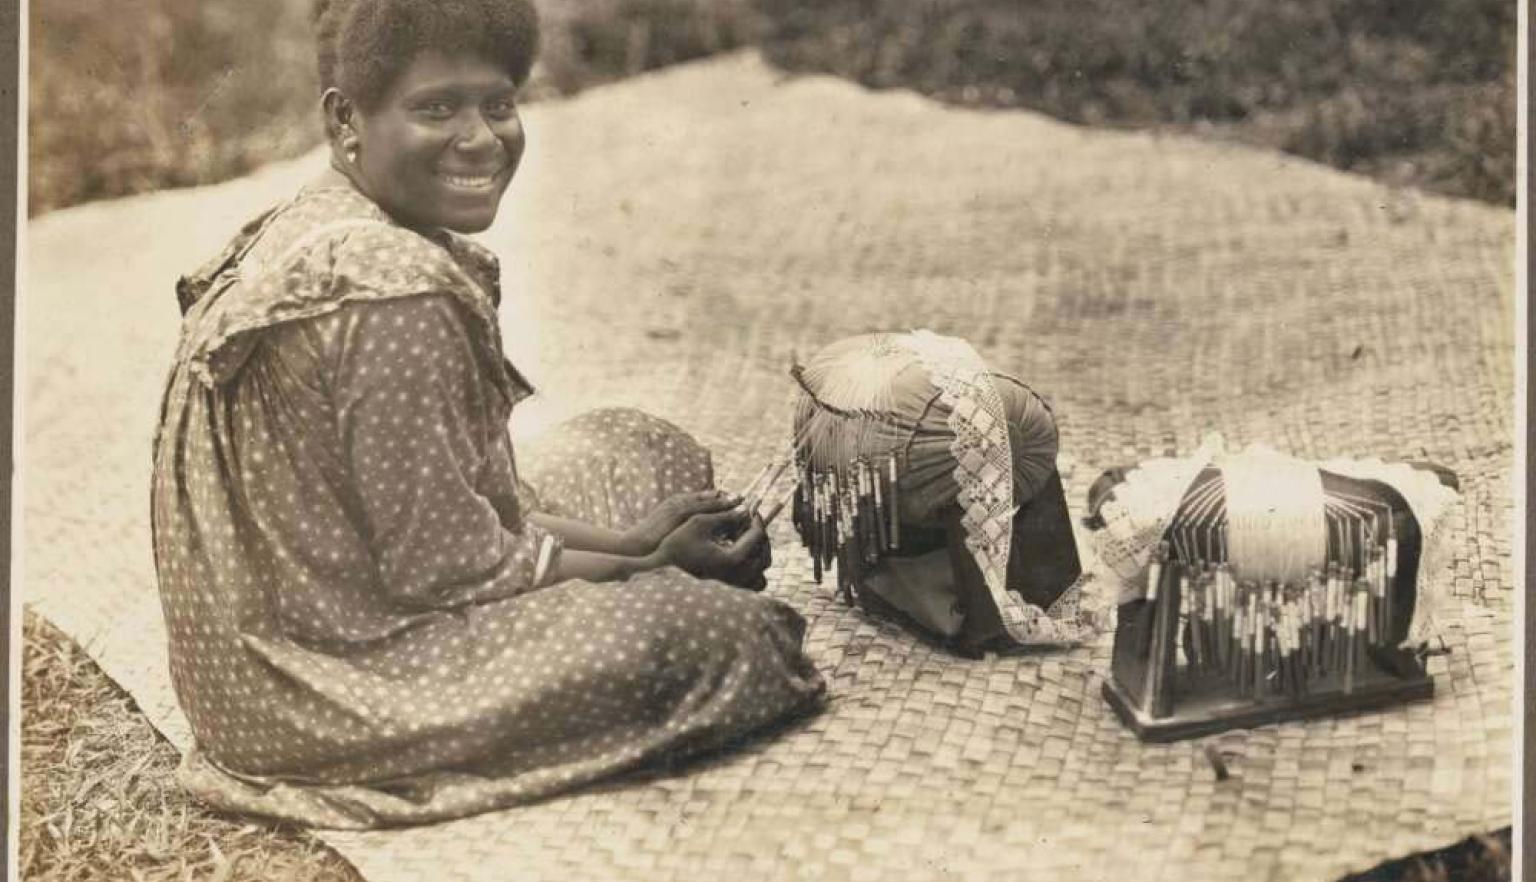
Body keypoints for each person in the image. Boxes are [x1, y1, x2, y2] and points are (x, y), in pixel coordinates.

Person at [151, 0, 823, 829]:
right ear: (346, 117)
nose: (480, 139)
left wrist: (644, 542)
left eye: (498, 105)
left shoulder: (324, 218)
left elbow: (459, 500)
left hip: (302, 624)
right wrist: (645, 569)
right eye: (436, 108)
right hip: (324, 688)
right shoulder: (391, 288)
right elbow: (446, 573)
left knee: (640, 445)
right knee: (736, 638)